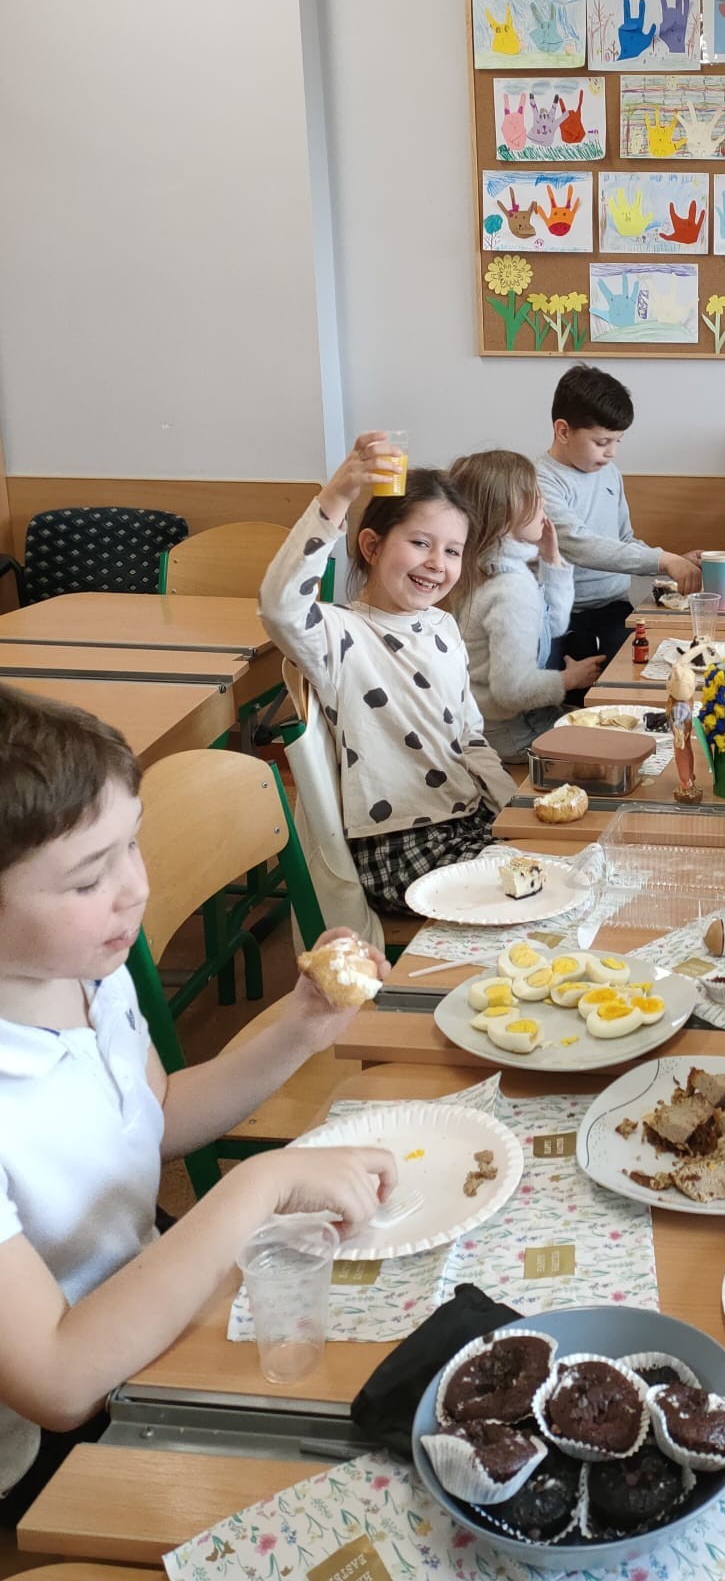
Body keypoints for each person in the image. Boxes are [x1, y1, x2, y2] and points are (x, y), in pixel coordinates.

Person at [0, 686, 397, 1513]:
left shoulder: (82, 972)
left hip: (147, 1301)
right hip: (51, 1443)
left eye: (132, 846)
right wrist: (259, 1186)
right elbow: (59, 1380)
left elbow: (156, 1118)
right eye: (88, 880)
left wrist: (300, 1027)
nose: (133, 890)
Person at [259, 434, 515, 926]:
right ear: (372, 546)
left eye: (453, 551)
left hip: (467, 821)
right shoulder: (339, 633)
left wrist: (514, 807)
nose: (437, 563)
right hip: (398, 847)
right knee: (534, 884)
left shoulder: (443, 626)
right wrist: (336, 497)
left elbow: (469, 734)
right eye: (420, 543)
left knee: (564, 866)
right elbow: (280, 607)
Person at [535, 365, 700, 668]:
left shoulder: (609, 472)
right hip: (558, 615)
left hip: (614, 609)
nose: (611, 452)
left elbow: (624, 540)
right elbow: (578, 544)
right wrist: (663, 559)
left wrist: (672, 560)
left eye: (617, 441)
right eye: (602, 442)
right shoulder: (540, 480)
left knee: (647, 670)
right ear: (563, 431)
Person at [449, 449, 604, 757]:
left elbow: (552, 626)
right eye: (535, 494)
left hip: (494, 725)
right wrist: (568, 680)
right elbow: (512, 690)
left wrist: (551, 558)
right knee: (616, 739)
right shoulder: (510, 588)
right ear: (508, 511)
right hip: (514, 732)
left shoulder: (486, 566)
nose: (543, 503)